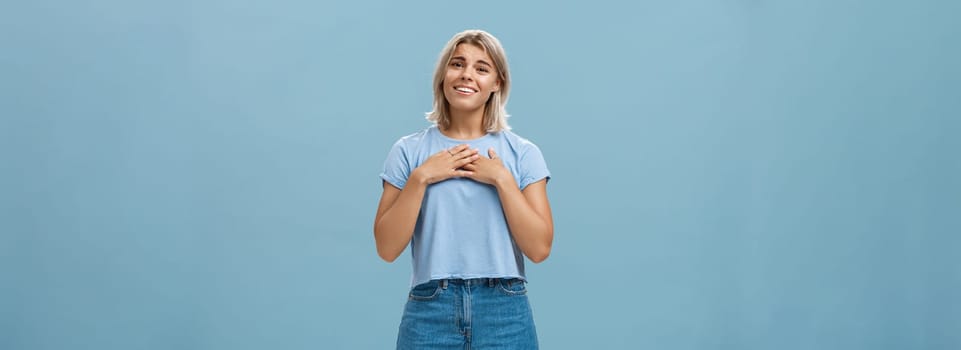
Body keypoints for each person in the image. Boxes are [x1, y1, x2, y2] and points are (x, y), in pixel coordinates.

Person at [374, 29, 554, 349]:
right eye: (457, 64)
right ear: (444, 74)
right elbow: (387, 248)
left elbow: (539, 248)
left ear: (497, 83)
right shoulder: (409, 151)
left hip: (504, 311)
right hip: (429, 309)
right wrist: (421, 178)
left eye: (481, 68)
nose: (467, 74)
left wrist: (501, 179)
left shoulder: (522, 154)